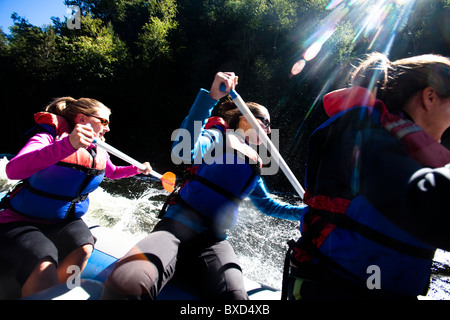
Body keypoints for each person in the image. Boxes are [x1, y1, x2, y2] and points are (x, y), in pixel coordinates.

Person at [101, 71, 306, 300]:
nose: (268, 130)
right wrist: (210, 98)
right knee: (126, 285)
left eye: (270, 127)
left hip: (214, 240)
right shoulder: (216, 136)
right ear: (245, 117)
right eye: (265, 122)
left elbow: (269, 206)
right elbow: (183, 149)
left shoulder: (255, 166)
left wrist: (313, 212)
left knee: (237, 301)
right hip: (176, 227)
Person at [285, 53, 450, 300]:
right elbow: (426, 204)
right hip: (334, 287)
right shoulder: (357, 135)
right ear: (429, 97)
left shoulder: (402, 149)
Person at [0, 97, 152, 297]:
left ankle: (63, 291)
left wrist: (137, 170)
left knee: (84, 244)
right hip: (21, 219)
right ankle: (42, 287)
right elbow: (13, 170)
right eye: (104, 122)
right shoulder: (48, 138)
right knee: (43, 257)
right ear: (81, 119)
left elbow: (112, 172)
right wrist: (67, 145)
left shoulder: (98, 149)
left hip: (63, 220)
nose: (107, 128)